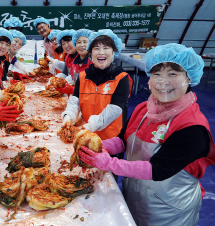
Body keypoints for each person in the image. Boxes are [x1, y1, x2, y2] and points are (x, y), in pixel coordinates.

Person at [78, 43, 215, 226]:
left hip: (168, 210)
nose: (162, 81)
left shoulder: (193, 127)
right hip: (133, 196)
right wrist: (101, 145)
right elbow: (123, 139)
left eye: (173, 74)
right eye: (156, 73)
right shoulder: (144, 109)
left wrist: (109, 163)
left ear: (189, 78)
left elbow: (157, 169)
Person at [61, 29, 130, 141]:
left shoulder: (121, 77)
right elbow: (75, 100)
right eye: (96, 48)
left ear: (113, 52)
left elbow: (115, 109)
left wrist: (90, 126)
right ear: (91, 53)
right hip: (86, 136)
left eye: (106, 48)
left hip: (110, 139)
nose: (101, 52)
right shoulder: (83, 76)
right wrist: (69, 115)